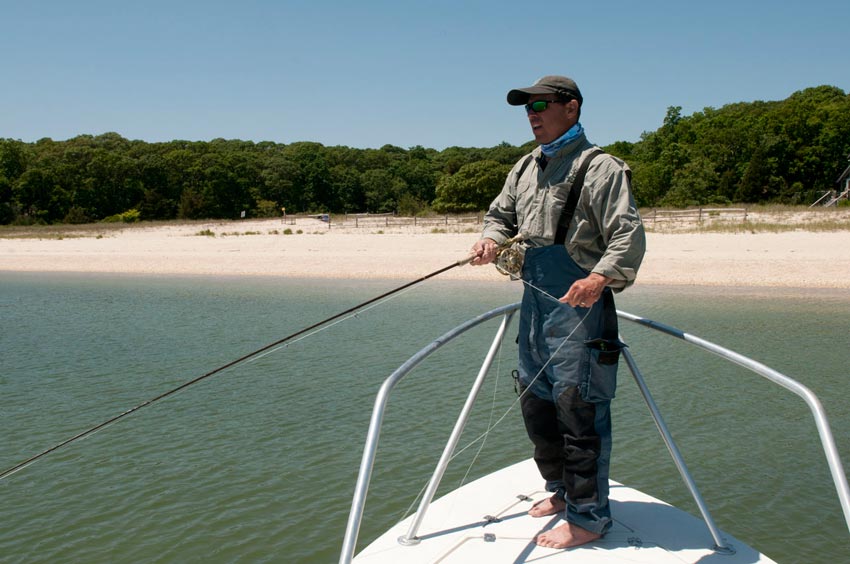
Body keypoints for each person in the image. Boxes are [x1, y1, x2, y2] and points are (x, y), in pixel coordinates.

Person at [470, 75, 646, 549]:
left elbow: (628, 235)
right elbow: (499, 215)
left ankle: (589, 519)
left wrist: (599, 279)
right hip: (534, 302)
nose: (532, 113)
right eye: (526, 106)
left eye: (542, 104)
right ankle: (562, 493)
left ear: (571, 108)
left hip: (580, 307)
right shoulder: (526, 166)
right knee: (535, 400)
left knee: (579, 408)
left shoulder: (602, 167)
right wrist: (489, 238)